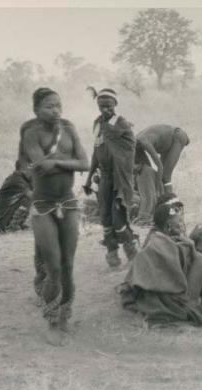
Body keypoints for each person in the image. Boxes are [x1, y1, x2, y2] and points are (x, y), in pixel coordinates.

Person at [21, 87, 89, 346]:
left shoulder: (70, 131)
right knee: (55, 267)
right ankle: (51, 320)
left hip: (68, 203)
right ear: (36, 110)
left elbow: (85, 163)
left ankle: (64, 318)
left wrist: (59, 163)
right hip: (43, 206)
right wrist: (66, 161)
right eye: (49, 106)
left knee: (69, 266)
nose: (56, 110)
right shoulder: (31, 134)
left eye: (59, 105)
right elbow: (42, 167)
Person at [118, 203, 202, 326]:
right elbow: (178, 271)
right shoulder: (162, 243)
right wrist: (193, 246)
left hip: (157, 295)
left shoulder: (155, 236)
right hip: (172, 299)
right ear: (168, 224)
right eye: (178, 221)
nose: (181, 224)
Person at [83, 88, 138, 268]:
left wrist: (106, 125)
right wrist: (89, 178)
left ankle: (133, 254)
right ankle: (112, 253)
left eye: (108, 106)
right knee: (105, 218)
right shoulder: (98, 123)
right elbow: (97, 152)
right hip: (105, 178)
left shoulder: (121, 124)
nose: (105, 109)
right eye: (101, 106)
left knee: (118, 219)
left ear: (115, 104)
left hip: (120, 179)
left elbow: (123, 149)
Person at [133, 124, 190, 226]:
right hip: (166, 144)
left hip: (177, 137)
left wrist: (158, 183)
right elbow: (148, 169)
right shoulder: (134, 149)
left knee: (165, 177)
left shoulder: (142, 141)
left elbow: (159, 165)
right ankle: (163, 209)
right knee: (155, 177)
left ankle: (173, 209)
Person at [0, 161, 33, 234]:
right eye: (31, 168)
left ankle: (16, 224)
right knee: (27, 198)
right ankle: (10, 226)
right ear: (23, 169)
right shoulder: (16, 179)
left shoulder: (23, 178)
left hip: (0, 216)